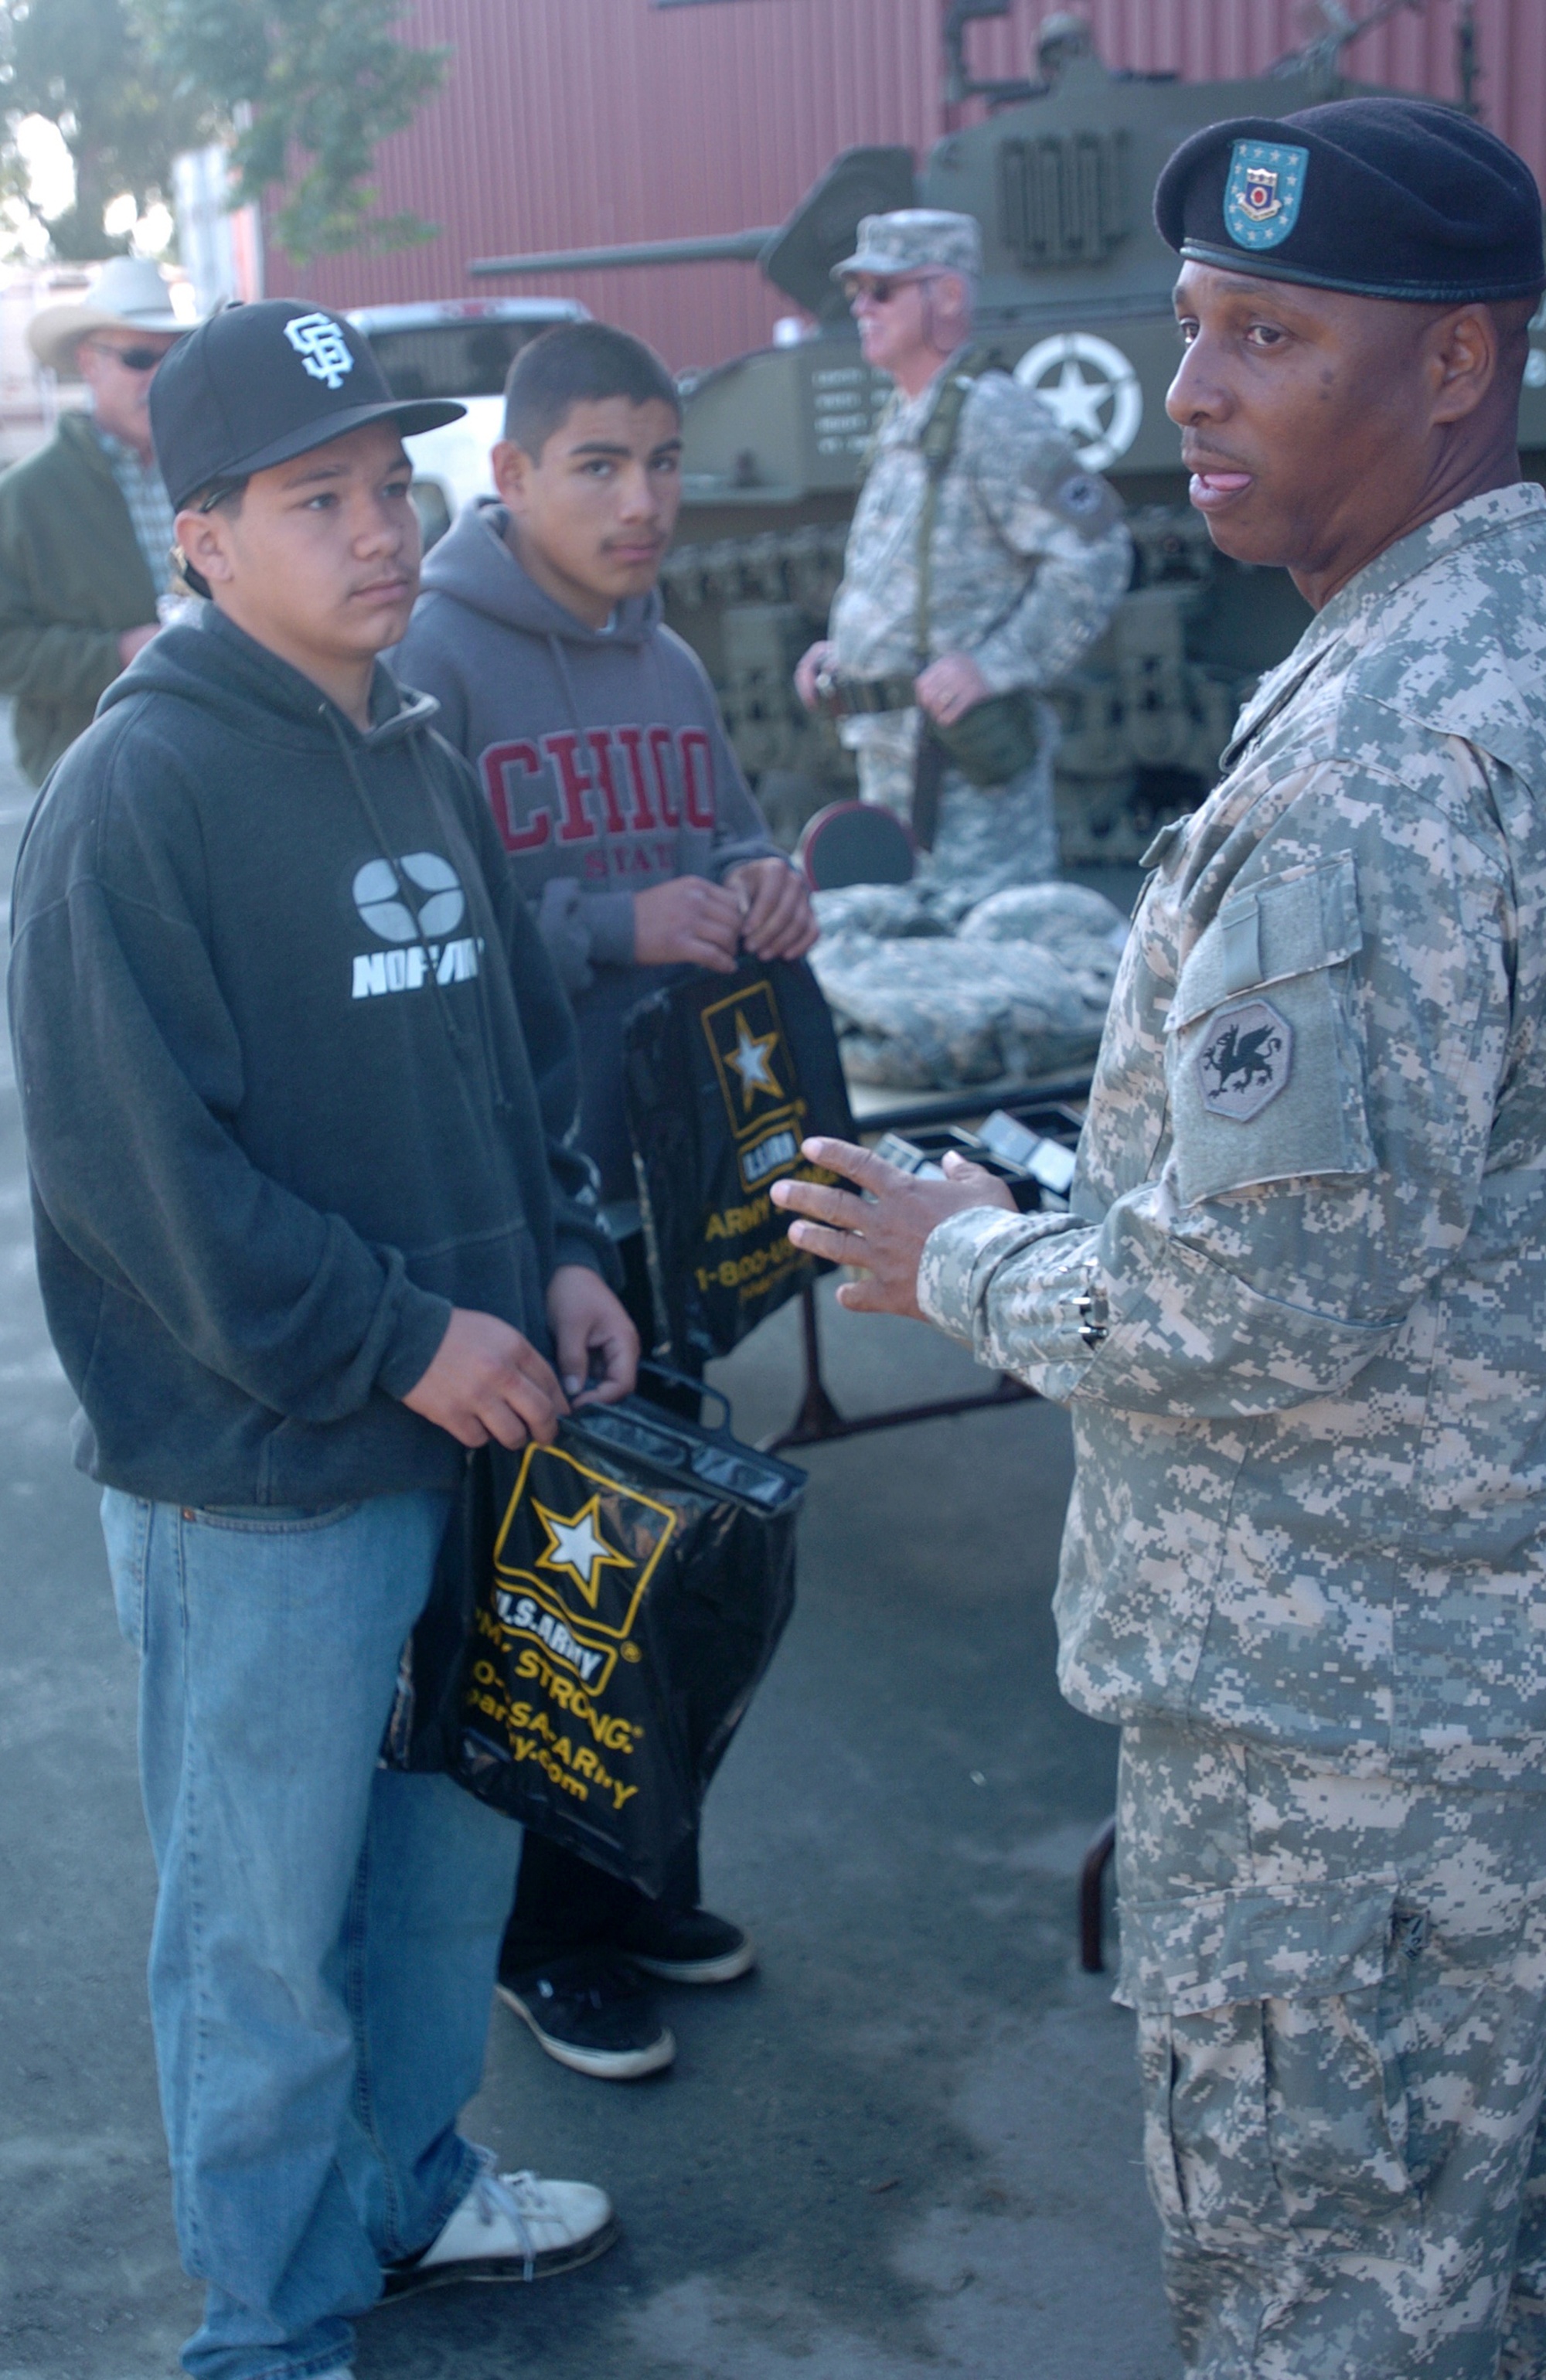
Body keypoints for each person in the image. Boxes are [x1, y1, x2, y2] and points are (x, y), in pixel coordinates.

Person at [773, 99, 1546, 2379]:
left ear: (1455, 367)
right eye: (1191, 328)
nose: (1195, 391)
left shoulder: (1372, 774)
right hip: (1472, 1658)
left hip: (1340, 1718)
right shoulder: (1492, 652)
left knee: (1328, 2301)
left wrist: (955, 1251)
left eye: (1271, 335)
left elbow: (1266, 1300)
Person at [7, 299, 641, 2380]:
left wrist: (554, 1247)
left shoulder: (414, 735)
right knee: (262, 1927)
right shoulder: (135, 795)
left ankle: (411, 2185)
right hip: (266, 1465)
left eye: (394, 486)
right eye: (318, 498)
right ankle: (266, 2321)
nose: (382, 532)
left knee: (445, 1861)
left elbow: (510, 1050)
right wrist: (398, 1330)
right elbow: (141, 1182)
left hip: (472, 1415)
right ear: (200, 536)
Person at [393, 318, 818, 2085]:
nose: (641, 500)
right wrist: (608, 924)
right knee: (549, 1589)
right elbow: (443, 929)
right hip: (519, 1206)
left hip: (667, 1192)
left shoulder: (672, 661)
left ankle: (642, 1880)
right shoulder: (430, 656)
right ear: (510, 477)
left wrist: (750, 883)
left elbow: (712, 828)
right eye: (598, 464)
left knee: (672, 1562)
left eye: (660, 461)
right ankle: (541, 1942)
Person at [793, 208, 1130, 899]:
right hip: (891, 754)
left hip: (964, 773)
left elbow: (1096, 553)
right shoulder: (907, 418)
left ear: (944, 295)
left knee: (988, 953)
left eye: (882, 290)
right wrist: (842, 654)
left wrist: (995, 665)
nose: (861, 306)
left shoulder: (993, 416)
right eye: (856, 290)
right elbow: (904, 572)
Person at [0, 257, 190, 785]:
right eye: (138, 357)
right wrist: (117, 653)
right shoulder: (24, 497)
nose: (159, 376)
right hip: (88, 773)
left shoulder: (208, 472)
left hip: (205, 754)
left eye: (174, 358)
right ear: (89, 362)